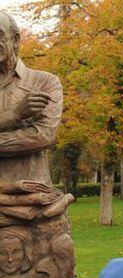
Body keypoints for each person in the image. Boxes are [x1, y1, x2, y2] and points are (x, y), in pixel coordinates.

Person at [0, 11, 63, 184]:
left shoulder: (45, 82)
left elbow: (43, 135)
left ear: (15, 39)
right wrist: (14, 115)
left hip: (31, 198)